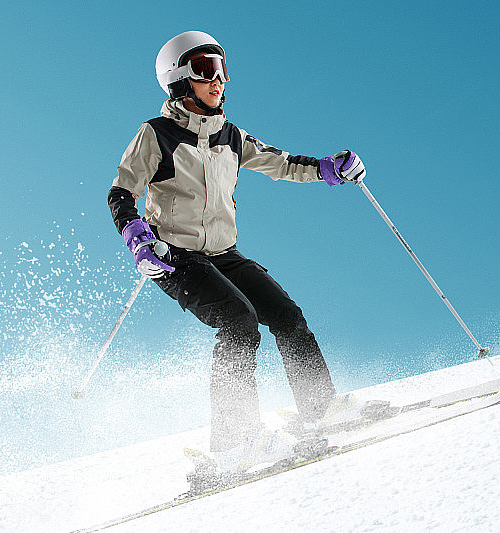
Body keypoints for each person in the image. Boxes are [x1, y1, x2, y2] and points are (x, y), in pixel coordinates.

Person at [108, 30, 366, 473]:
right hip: (173, 254)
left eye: (221, 70)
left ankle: (318, 408)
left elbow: (281, 162)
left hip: (223, 252)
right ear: (178, 79)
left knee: (285, 314)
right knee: (239, 322)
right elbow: (121, 192)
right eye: (206, 69)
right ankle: (231, 444)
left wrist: (327, 168)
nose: (218, 80)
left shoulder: (230, 136)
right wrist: (138, 240)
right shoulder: (157, 135)